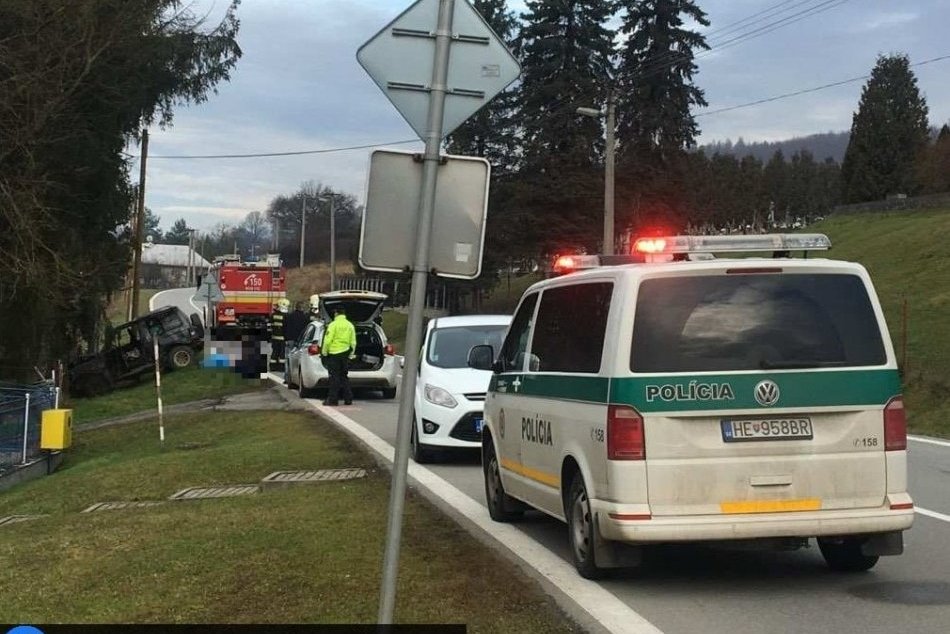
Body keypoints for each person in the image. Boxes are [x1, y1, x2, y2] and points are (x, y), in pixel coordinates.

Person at [321, 306, 356, 406]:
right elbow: (353, 342)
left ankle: (333, 399)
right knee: (344, 376)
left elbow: (327, 341)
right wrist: (351, 354)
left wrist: (324, 352)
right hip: (345, 353)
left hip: (334, 353)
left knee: (334, 377)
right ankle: (348, 398)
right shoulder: (350, 325)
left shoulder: (333, 325)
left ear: (336, 313)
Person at [270, 298, 290, 367]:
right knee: (282, 353)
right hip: (282, 338)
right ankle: (281, 367)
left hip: (274, 337)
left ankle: (273, 366)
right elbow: (287, 328)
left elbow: (270, 326)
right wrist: (287, 338)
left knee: (274, 352)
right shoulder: (286, 316)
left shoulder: (273, 315)